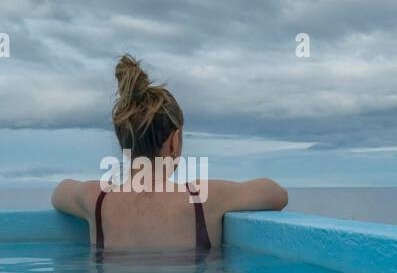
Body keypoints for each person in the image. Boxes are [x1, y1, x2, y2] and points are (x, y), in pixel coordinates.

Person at [51, 54, 288, 252]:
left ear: (123, 141)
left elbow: (59, 192)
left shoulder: (95, 198)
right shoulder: (205, 197)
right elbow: (277, 195)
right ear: (174, 141)